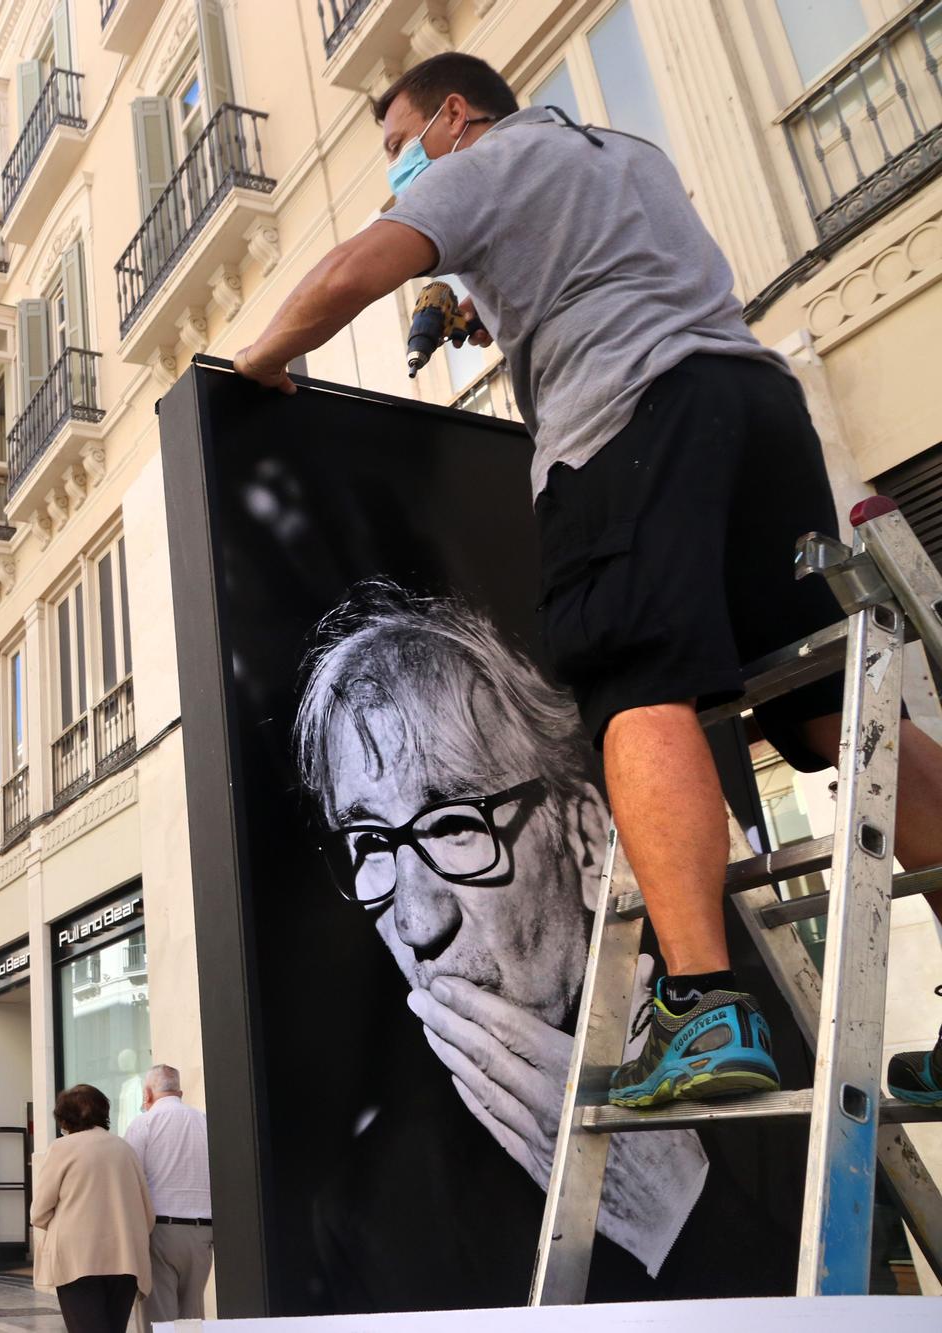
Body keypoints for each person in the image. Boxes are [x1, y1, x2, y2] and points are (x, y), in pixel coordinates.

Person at [232, 52, 942, 1112]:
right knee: (822, 707)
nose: (398, 172)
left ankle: (699, 1003)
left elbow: (347, 272)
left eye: (397, 148)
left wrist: (260, 363)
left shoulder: (477, 167)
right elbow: (600, 270)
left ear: (454, 114)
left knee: (632, 680)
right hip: (751, 409)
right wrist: (491, 314)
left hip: (624, 424)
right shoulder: (620, 154)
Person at [292, 581, 805, 1306]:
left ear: (590, 839)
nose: (415, 920)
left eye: (453, 825)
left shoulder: (784, 1051)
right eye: (372, 842)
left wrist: (680, 1212)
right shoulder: (364, 1206)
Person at [31, 1084, 154, 1333]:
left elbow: (39, 1212)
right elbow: (147, 1213)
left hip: (77, 1260)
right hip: (125, 1259)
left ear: (64, 1118)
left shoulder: (61, 1149)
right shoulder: (124, 1149)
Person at [122, 1065, 211, 1333]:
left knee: (158, 1318)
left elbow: (130, 1180)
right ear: (180, 1092)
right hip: (203, 1232)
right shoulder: (205, 1121)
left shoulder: (143, 1123)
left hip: (159, 1231)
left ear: (147, 1094)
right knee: (191, 1319)